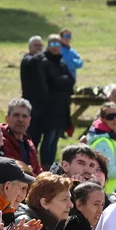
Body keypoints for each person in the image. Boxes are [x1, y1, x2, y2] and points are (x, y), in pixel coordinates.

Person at [35, 36, 74, 167]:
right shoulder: (44, 62)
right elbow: (53, 81)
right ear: (48, 45)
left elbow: (71, 80)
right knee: (48, 138)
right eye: (52, 44)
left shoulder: (61, 62)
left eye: (57, 44)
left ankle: (51, 164)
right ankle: (45, 165)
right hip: (49, 107)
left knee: (55, 138)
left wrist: (61, 81)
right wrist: (62, 81)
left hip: (62, 106)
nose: (55, 47)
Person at [0, 98, 41, 176]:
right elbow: (11, 171)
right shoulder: (1, 141)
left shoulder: (29, 143)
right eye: (16, 115)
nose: (20, 119)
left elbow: (38, 170)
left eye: (24, 116)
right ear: (7, 118)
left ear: (29, 120)